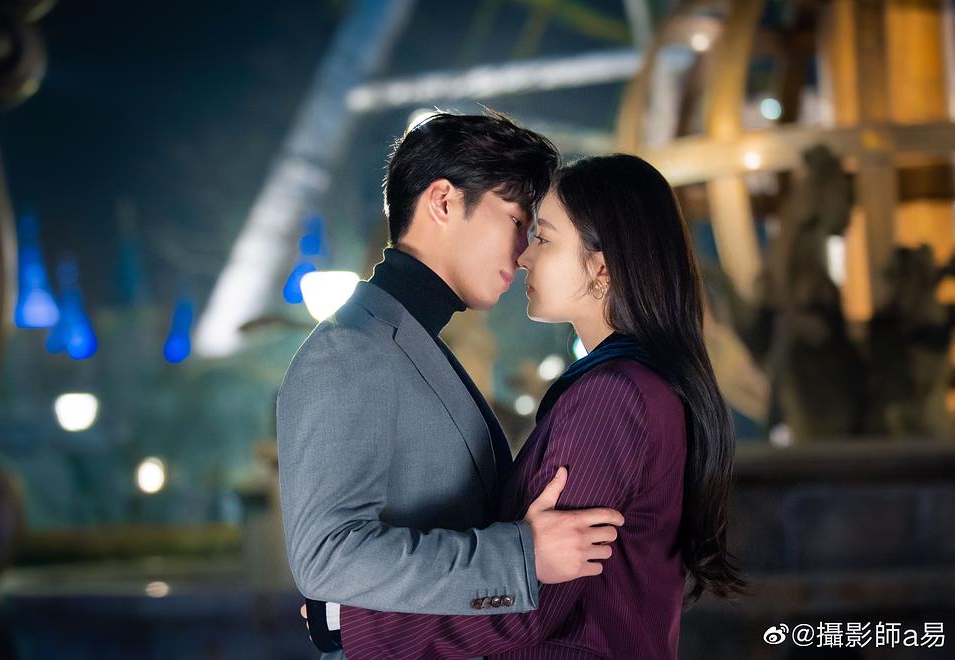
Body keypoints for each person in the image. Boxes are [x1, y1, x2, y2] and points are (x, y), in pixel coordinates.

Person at [333, 154, 746, 659]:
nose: (524, 256)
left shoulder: (613, 398)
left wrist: (348, 622)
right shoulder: (641, 386)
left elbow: (530, 598)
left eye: (544, 239)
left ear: (601, 267)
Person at [277, 113, 627, 655]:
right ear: (443, 201)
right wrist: (521, 556)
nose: (523, 252)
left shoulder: (411, 343)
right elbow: (327, 556)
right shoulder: (350, 351)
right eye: (515, 219)